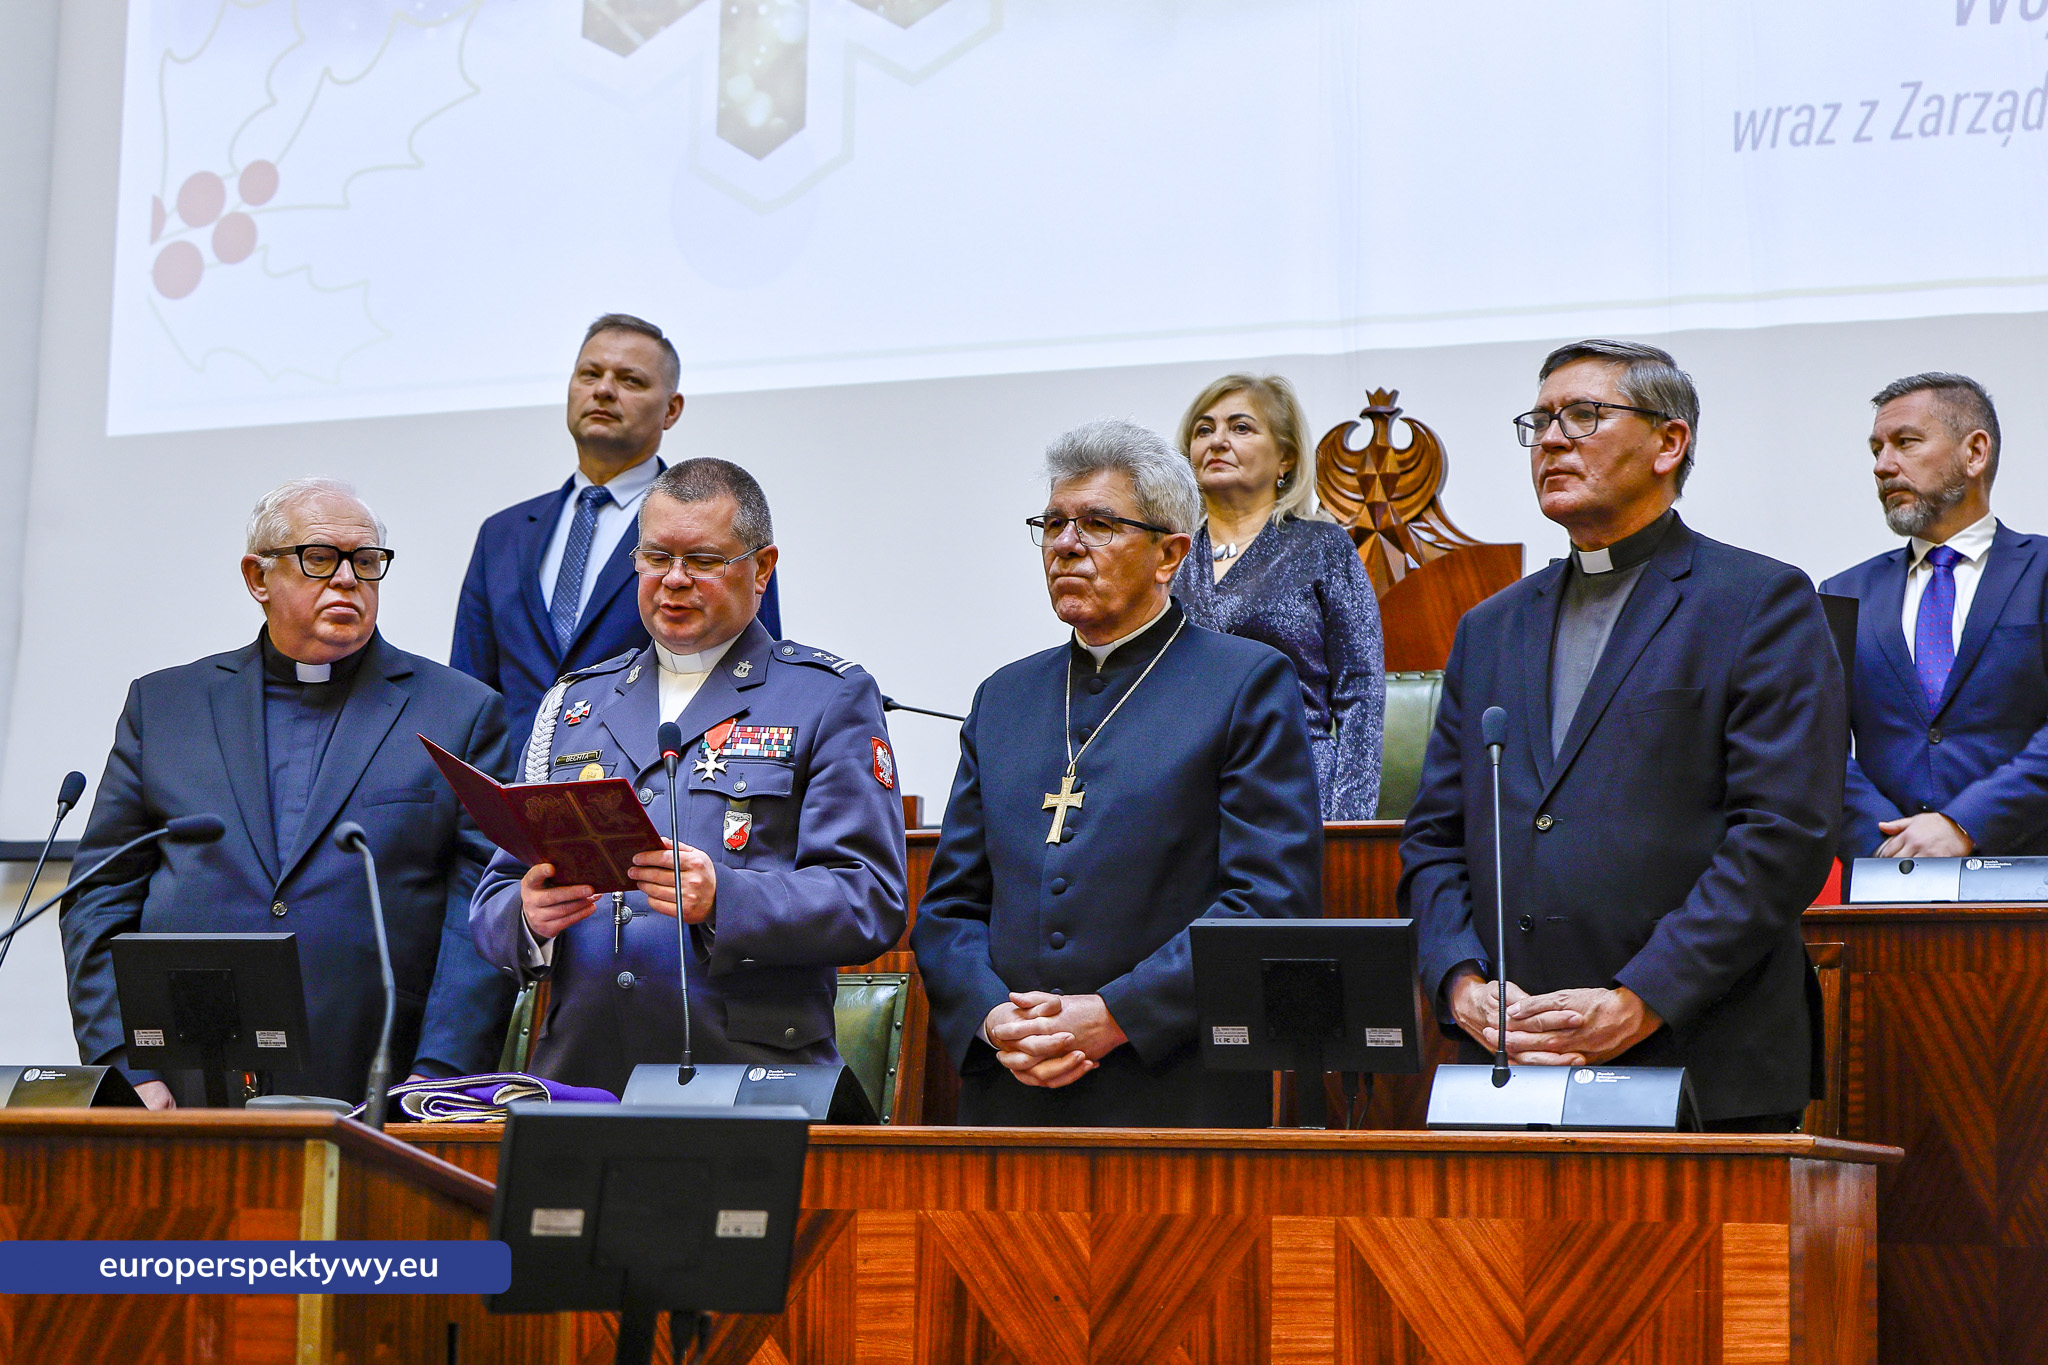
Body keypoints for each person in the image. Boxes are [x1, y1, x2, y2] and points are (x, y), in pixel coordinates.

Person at [1400, 340, 1846, 1130]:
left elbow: (1783, 836)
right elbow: (1435, 837)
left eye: (1583, 415)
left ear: (1669, 443)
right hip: (1512, 1061)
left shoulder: (1759, 601)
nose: (1550, 439)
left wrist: (1643, 998)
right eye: (1537, 422)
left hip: (1700, 1055)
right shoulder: (1490, 627)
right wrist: (1462, 983)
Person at [912, 418, 1322, 1127]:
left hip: (1176, 1092)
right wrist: (991, 1017)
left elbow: (1269, 899)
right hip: (1010, 1094)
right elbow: (949, 909)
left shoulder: (1246, 683)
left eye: (1098, 523)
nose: (1066, 545)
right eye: (1054, 524)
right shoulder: (1003, 698)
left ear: (1169, 553)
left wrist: (1117, 1014)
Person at [63, 478, 515, 1109]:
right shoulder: (165, 708)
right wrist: (123, 1068)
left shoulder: (457, 714)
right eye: (320, 559)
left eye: (366, 562)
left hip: (379, 1080)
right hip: (180, 1083)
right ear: (258, 577)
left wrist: (441, 1074)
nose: (349, 581)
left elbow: (479, 906)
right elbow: (98, 895)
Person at [469, 458, 905, 1097]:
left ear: (761, 568)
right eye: (656, 557)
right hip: (582, 1078)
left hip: (747, 1078)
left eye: (702, 560)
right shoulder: (573, 705)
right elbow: (493, 900)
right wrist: (527, 919)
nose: (674, 580)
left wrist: (725, 898)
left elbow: (871, 899)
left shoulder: (824, 698)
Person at [450, 313, 779, 737]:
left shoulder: (718, 525)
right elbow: (470, 688)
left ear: (671, 409)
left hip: (657, 784)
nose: (603, 390)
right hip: (514, 788)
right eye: (589, 374)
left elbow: (756, 672)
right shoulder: (503, 534)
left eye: (630, 380)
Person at [1820, 373, 2048, 860]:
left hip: (2030, 879)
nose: (1883, 466)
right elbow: (1819, 746)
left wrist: (1964, 824)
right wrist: (1888, 848)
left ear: (1975, 453)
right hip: (1886, 882)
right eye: (1876, 449)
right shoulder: (1842, 592)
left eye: (1906, 443)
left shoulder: (2043, 571)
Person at [1171, 373, 1385, 819]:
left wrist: (1347, 822)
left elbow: (1361, 690)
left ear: (1285, 457)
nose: (1217, 441)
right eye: (1203, 429)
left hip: (1294, 789)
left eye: (1241, 427)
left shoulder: (1322, 546)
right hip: (1180, 793)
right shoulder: (1168, 554)